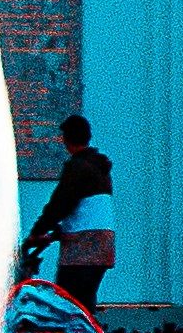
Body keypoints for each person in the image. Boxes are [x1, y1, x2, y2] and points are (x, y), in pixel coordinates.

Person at [19, 115, 118, 321]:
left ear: (67, 139)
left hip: (82, 248)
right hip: (102, 246)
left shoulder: (78, 167)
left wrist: (37, 232)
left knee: (67, 303)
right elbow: (85, 213)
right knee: (84, 302)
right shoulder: (100, 169)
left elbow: (61, 204)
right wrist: (53, 235)